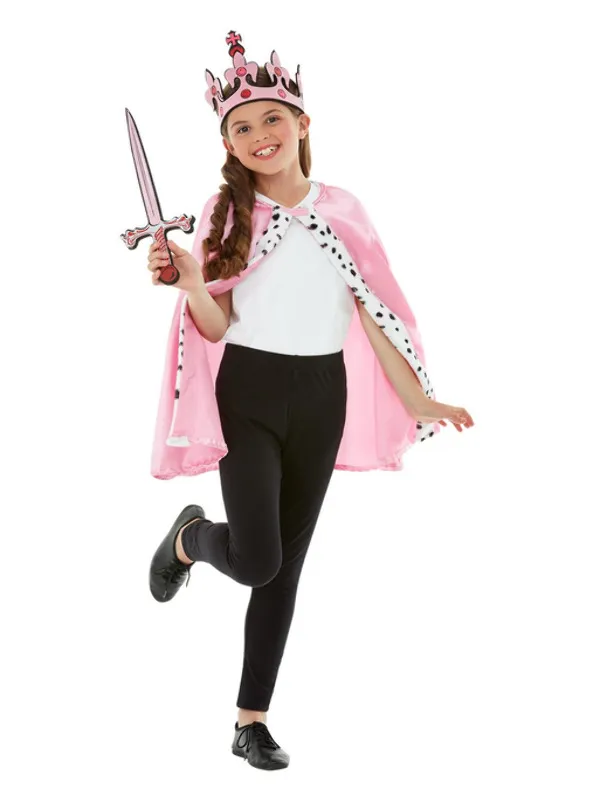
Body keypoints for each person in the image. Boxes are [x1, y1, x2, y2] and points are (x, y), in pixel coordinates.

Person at [145, 31, 474, 771]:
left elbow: (375, 313)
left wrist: (420, 399)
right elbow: (216, 324)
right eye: (241, 127)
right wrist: (192, 283)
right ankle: (191, 538)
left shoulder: (344, 209)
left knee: (284, 568)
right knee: (257, 560)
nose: (260, 134)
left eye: (272, 118)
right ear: (227, 143)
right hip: (249, 393)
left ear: (302, 123)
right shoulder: (225, 212)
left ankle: (250, 721)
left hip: (323, 396)